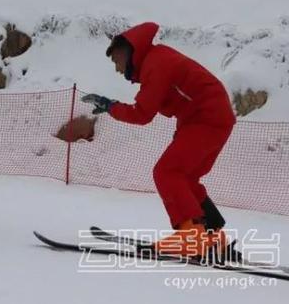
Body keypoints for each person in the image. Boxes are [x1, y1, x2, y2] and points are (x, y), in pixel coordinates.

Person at [82, 22, 236, 259]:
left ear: (128, 51)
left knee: (166, 172)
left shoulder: (157, 64)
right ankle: (214, 237)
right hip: (211, 118)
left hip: (205, 119)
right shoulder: (157, 61)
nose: (117, 69)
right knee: (186, 178)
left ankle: (191, 237)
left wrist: (111, 106)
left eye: (116, 61)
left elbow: (142, 114)